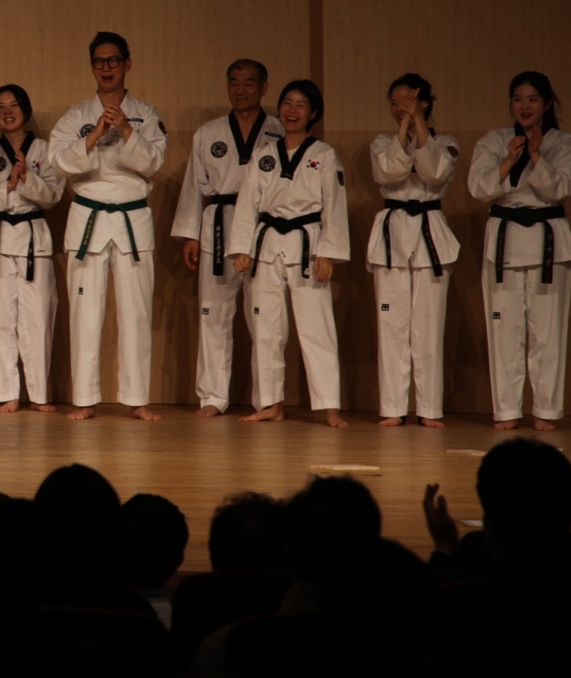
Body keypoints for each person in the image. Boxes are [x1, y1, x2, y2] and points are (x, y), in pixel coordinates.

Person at [49, 32, 166, 420]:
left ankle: (137, 399)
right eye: (99, 61)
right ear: (92, 67)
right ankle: (85, 399)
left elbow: (154, 163)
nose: (106, 67)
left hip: (133, 218)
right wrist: (95, 135)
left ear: (127, 64)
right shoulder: (76, 116)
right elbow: (59, 162)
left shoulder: (145, 114)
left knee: (136, 313)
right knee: (85, 313)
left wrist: (128, 130)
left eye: (113, 60)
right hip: (89, 217)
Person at [228, 79, 349, 427]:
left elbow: (334, 205)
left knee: (316, 328)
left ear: (313, 113)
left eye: (300, 105)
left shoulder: (324, 154)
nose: (291, 110)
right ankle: (270, 403)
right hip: (266, 246)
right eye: (286, 103)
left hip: (307, 248)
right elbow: (247, 203)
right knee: (265, 329)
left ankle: (329, 405)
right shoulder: (264, 155)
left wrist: (328, 252)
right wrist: (241, 248)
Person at [170, 59, 284, 416]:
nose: (240, 90)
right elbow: (193, 186)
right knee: (213, 312)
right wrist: (191, 234)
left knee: (263, 315)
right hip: (218, 223)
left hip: (262, 227)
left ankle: (267, 399)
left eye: (249, 83)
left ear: (264, 87)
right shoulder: (209, 132)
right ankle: (212, 396)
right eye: (234, 82)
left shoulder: (280, 130)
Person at [467, 71, 569, 431]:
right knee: (504, 329)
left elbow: (560, 190)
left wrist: (537, 155)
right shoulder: (494, 140)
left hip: (548, 241)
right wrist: (508, 161)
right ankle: (507, 409)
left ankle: (545, 409)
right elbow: (478, 189)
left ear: (547, 104)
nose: (524, 106)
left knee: (547, 331)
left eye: (533, 99)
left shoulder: (562, 143)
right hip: (505, 239)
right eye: (518, 99)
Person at [368, 73, 459, 427]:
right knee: (391, 325)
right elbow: (388, 173)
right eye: (394, 102)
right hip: (392, 234)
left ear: (424, 102)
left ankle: (429, 408)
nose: (398, 108)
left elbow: (434, 173)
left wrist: (418, 123)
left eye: (407, 101)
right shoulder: (382, 143)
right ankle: (392, 407)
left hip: (430, 234)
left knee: (428, 326)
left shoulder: (446, 143)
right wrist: (405, 125)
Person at [0, 83, 65, 413]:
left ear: (25, 110)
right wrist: (8, 185)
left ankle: (39, 394)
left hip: (32, 239)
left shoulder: (44, 150)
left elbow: (53, 195)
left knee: (38, 317)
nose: (7, 112)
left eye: (13, 105)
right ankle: (6, 392)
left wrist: (27, 178)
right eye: (0, 106)